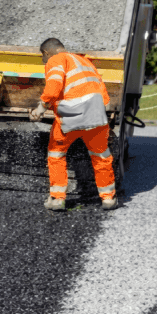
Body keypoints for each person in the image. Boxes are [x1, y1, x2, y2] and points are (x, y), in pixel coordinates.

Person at [28, 37, 117, 212]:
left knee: (56, 154)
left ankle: (57, 199)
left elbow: (53, 87)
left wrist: (40, 109)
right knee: (101, 157)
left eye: (42, 57)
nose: (43, 61)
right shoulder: (84, 61)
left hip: (71, 116)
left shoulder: (56, 59)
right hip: (96, 116)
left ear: (47, 52)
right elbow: (102, 92)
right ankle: (108, 199)